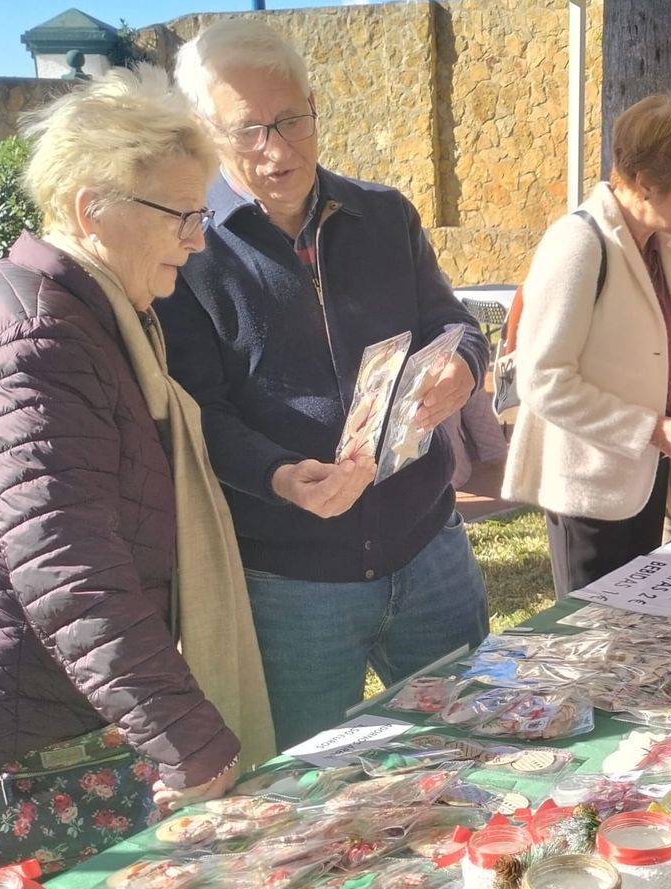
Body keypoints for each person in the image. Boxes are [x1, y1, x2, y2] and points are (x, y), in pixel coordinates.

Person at [0, 68, 272, 873]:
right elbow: (70, 573)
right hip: (42, 740)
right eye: (182, 215)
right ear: (91, 210)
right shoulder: (39, 344)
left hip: (62, 709)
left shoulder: (75, 312)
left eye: (201, 213)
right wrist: (190, 738)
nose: (198, 237)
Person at [159, 20, 492, 750]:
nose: (277, 151)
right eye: (247, 131)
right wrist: (279, 477)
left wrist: (464, 366)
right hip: (294, 583)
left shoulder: (385, 215)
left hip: (427, 544)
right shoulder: (186, 253)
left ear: (314, 105)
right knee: (312, 791)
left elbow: (453, 322)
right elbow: (194, 415)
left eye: (292, 121)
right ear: (206, 134)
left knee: (482, 749)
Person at [501, 95, 671, 597]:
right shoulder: (577, 244)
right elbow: (542, 380)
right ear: (647, 183)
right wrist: (649, 429)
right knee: (592, 648)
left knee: (632, 640)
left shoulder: (664, 246)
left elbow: (666, 350)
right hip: (588, 492)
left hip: (640, 480)